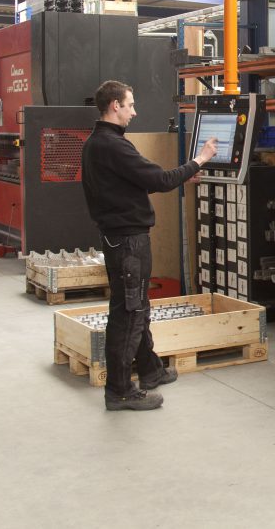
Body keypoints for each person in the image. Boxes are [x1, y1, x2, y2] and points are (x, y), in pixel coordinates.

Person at [81, 80, 218, 412]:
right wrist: (199, 160)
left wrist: (184, 175)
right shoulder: (112, 145)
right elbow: (158, 180)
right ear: (114, 105)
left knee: (138, 305)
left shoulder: (100, 142)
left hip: (122, 237)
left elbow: (138, 181)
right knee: (129, 312)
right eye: (130, 105)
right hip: (127, 240)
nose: (134, 111)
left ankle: (150, 369)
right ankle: (119, 391)